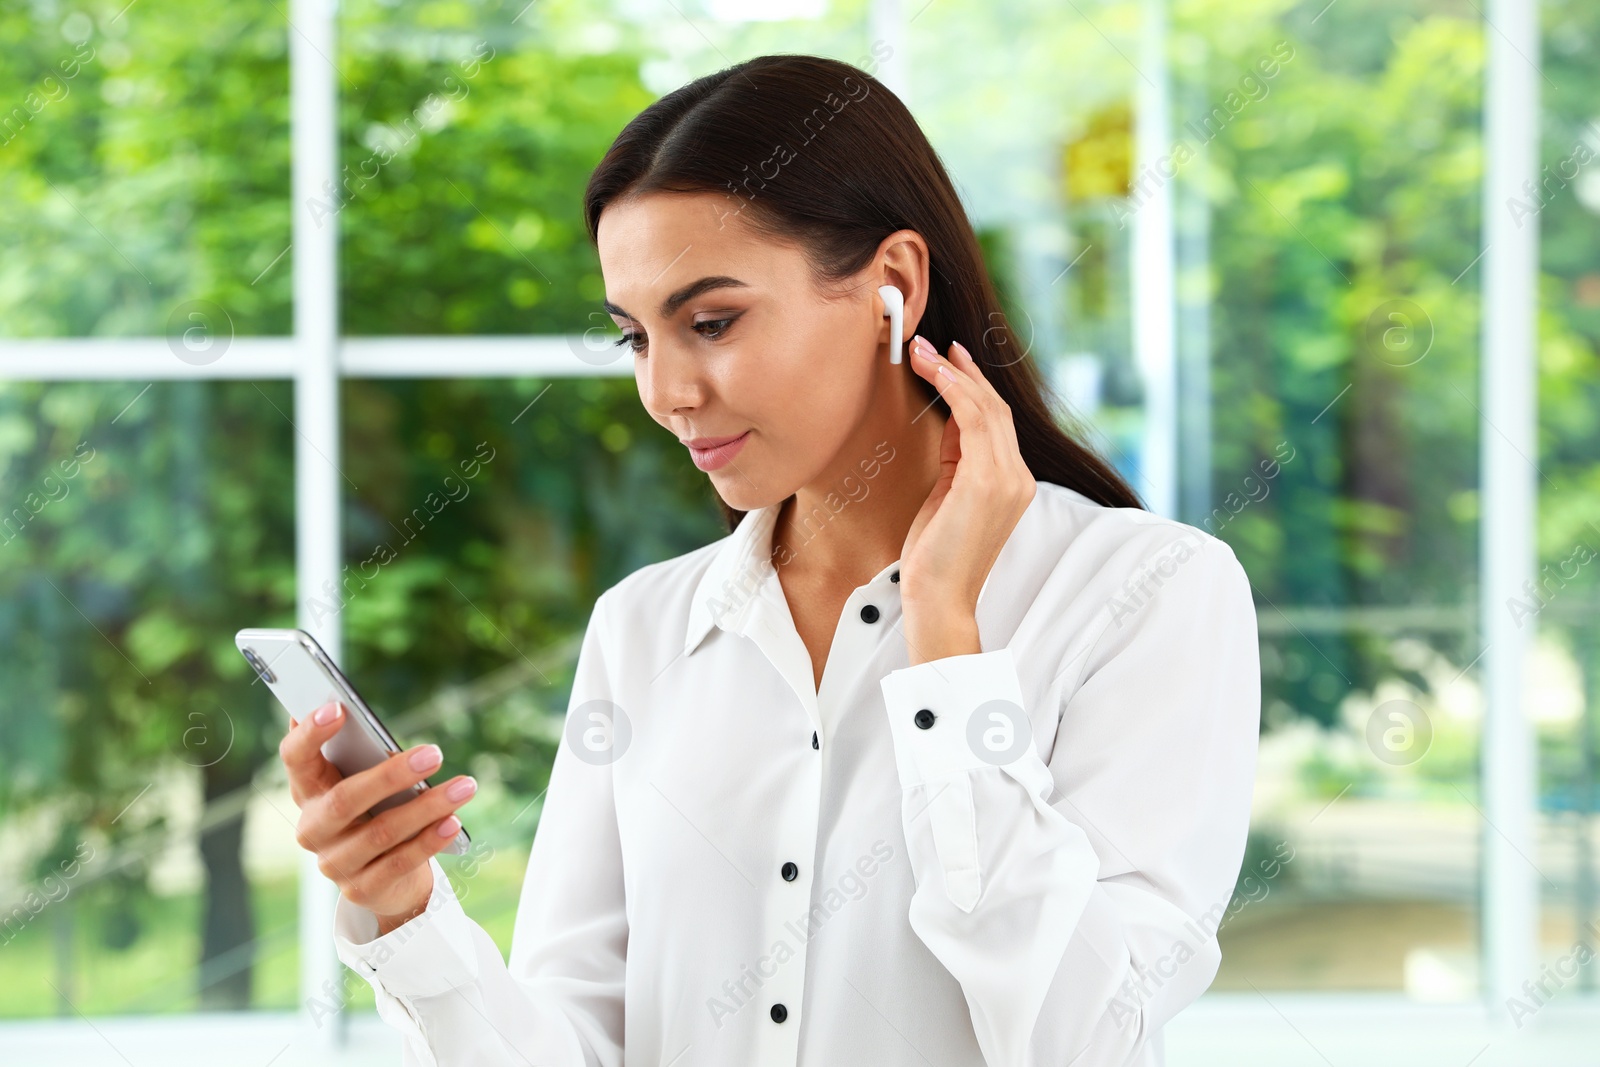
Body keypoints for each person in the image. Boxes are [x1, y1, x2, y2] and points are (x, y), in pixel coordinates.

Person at [278, 53, 1260, 1067]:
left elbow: (1084, 1038)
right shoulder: (643, 628)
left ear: (893, 286)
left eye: (711, 323)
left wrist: (945, 639)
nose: (666, 392)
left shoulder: (1144, 594)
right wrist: (403, 912)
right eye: (635, 338)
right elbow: (576, 1040)